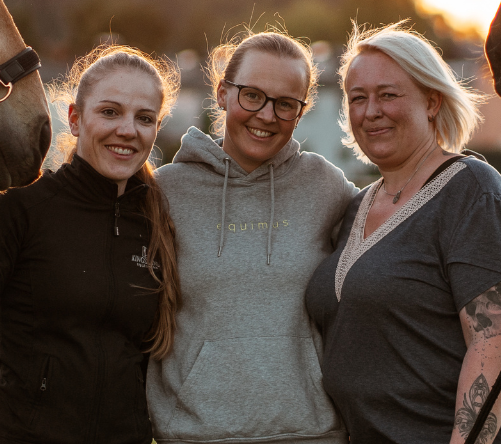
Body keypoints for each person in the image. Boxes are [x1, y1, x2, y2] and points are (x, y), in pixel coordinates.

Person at [0, 45, 182, 444]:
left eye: (144, 118)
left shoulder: (159, 218)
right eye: (110, 112)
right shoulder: (18, 206)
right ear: (75, 119)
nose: (128, 130)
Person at [305, 24, 501, 444]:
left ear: (432, 101)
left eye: (388, 95)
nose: (371, 111)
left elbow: (491, 347)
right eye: (358, 98)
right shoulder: (354, 207)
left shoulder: (472, 190)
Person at [148, 30, 355, 444]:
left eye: (285, 104)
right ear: (223, 93)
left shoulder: (325, 186)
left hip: (312, 434)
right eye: (252, 96)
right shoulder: (164, 192)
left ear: (301, 111)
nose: (266, 115)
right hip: (195, 434)